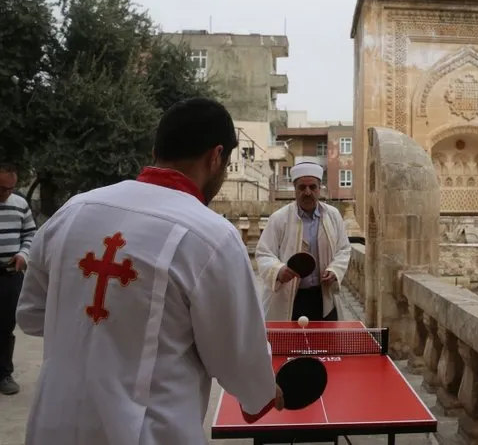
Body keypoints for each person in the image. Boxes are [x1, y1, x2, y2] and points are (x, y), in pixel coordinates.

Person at [16, 98, 283, 445]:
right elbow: (239, 357)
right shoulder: (211, 236)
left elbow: (33, 315)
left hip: (52, 428)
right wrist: (264, 390)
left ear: (156, 150)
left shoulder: (74, 211)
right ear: (216, 157)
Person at [256, 162, 352, 321]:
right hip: (290, 299)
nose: (307, 192)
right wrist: (278, 270)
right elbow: (263, 253)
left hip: (322, 297)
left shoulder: (333, 215)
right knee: (290, 344)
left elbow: (343, 249)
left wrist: (335, 270)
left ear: (319, 188)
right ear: (295, 189)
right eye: (302, 187)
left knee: (325, 343)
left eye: (312, 187)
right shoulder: (279, 218)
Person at [0, 163, 37, 395]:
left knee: (5, 326)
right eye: (2, 188)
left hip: (10, 275)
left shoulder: (20, 204)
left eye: (10, 188)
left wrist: (24, 254)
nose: (6, 193)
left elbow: (30, 234)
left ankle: (4, 374)